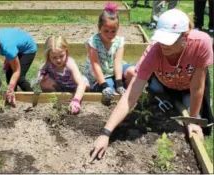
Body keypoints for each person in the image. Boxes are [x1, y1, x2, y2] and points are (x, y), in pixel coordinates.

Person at [89, 9, 213, 162]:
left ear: (185, 36)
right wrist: (105, 133)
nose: (163, 45)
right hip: (165, 82)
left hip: (189, 85)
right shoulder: (154, 52)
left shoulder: (201, 44)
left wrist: (193, 120)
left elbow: (196, 87)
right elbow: (130, 96)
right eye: (161, 39)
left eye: (170, 40)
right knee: (158, 94)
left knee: (196, 122)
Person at [84, 2, 135, 103]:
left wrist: (119, 82)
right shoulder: (93, 42)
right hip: (100, 73)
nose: (110, 34)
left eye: (113, 31)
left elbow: (118, 62)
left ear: (117, 29)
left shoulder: (119, 41)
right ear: (99, 28)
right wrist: (103, 85)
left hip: (114, 68)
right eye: (106, 31)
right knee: (110, 90)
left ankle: (130, 96)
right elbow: (95, 65)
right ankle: (101, 87)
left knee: (133, 72)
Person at [38, 35, 89, 115]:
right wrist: (41, 75)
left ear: (66, 51)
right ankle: (55, 99)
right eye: (54, 57)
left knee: (84, 84)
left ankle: (79, 97)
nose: (58, 60)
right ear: (48, 56)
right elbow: (42, 71)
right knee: (44, 82)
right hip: (61, 87)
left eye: (61, 56)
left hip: (74, 87)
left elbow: (81, 83)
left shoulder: (70, 63)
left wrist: (76, 100)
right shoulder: (49, 63)